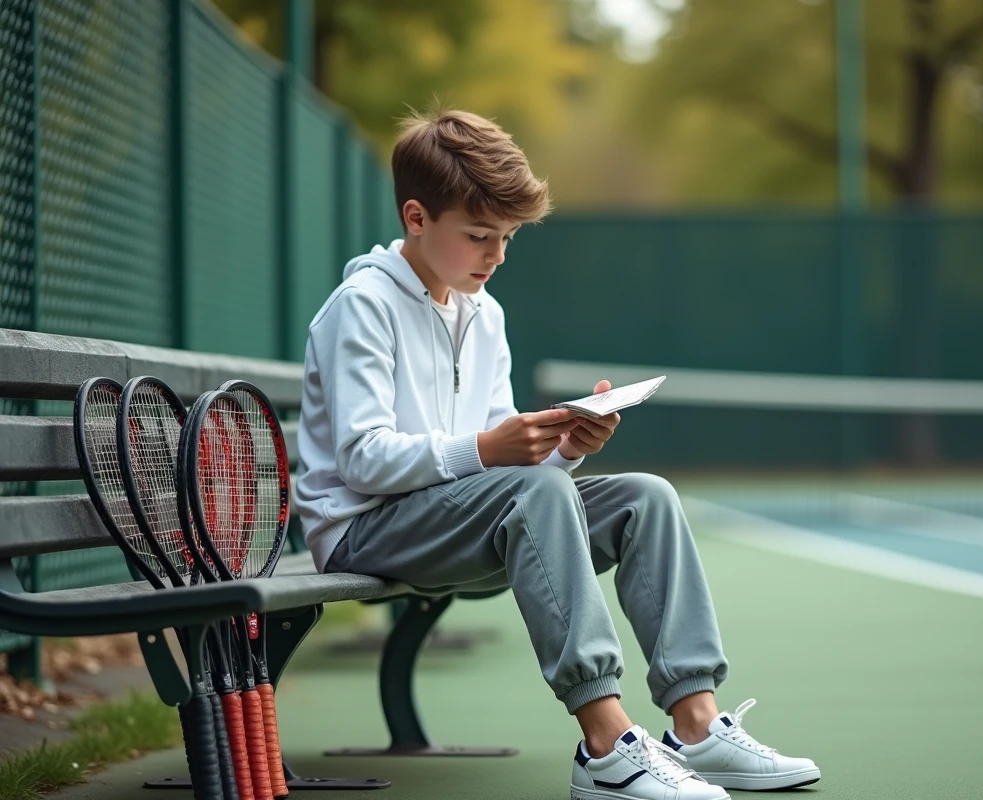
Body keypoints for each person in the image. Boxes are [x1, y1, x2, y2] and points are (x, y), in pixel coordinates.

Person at [294, 107, 821, 799]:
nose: (497, 255)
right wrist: (489, 448)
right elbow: (364, 460)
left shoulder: (485, 313)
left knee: (645, 498)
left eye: (507, 237)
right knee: (535, 495)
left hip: (455, 519)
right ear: (416, 218)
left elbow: (507, 473)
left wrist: (564, 449)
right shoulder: (361, 306)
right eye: (479, 235)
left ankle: (696, 724)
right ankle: (606, 746)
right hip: (367, 528)